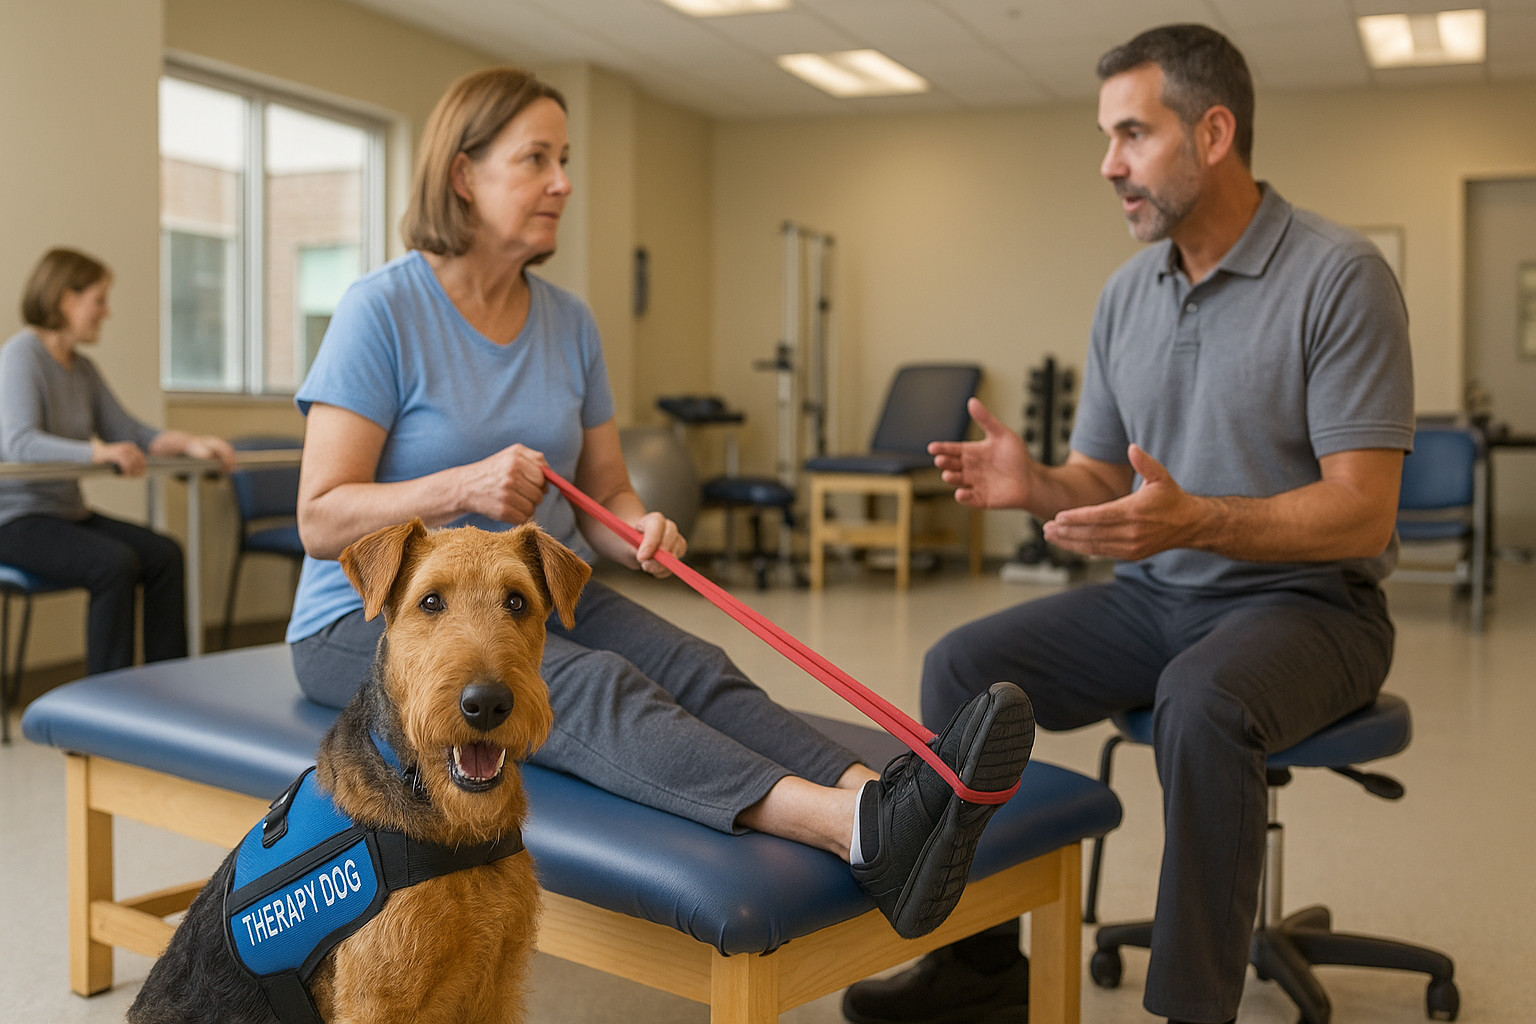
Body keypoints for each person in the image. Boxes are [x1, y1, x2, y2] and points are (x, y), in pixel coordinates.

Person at [284, 66, 1034, 940]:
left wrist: (634, 523)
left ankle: (886, 797)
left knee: (692, 665)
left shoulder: (568, 322)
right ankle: (849, 830)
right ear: (464, 174)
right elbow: (320, 517)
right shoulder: (383, 310)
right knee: (592, 684)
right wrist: (463, 486)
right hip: (372, 618)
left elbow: (606, 490)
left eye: (565, 159)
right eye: (536, 159)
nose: (563, 182)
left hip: (529, 596)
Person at [841, 24, 1413, 1024]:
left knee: (1201, 699)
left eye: (1133, 135)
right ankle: (980, 972)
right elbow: (1105, 478)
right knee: (961, 667)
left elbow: (1363, 511)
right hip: (1158, 598)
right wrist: (1039, 484)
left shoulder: (1339, 275)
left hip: (1315, 606)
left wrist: (1201, 520)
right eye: (1107, 138)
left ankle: (1194, 1010)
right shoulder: (1125, 295)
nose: (1109, 165)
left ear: (1215, 132)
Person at [0, 247, 237, 674]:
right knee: (113, 565)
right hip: (16, 520)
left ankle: (170, 685)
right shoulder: (21, 355)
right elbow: (19, 442)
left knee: (164, 554)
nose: (106, 312)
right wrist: (98, 452)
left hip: (65, 514)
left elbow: (129, 433)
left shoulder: (81, 368)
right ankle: (105, 704)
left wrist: (190, 443)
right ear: (66, 299)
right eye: (99, 299)